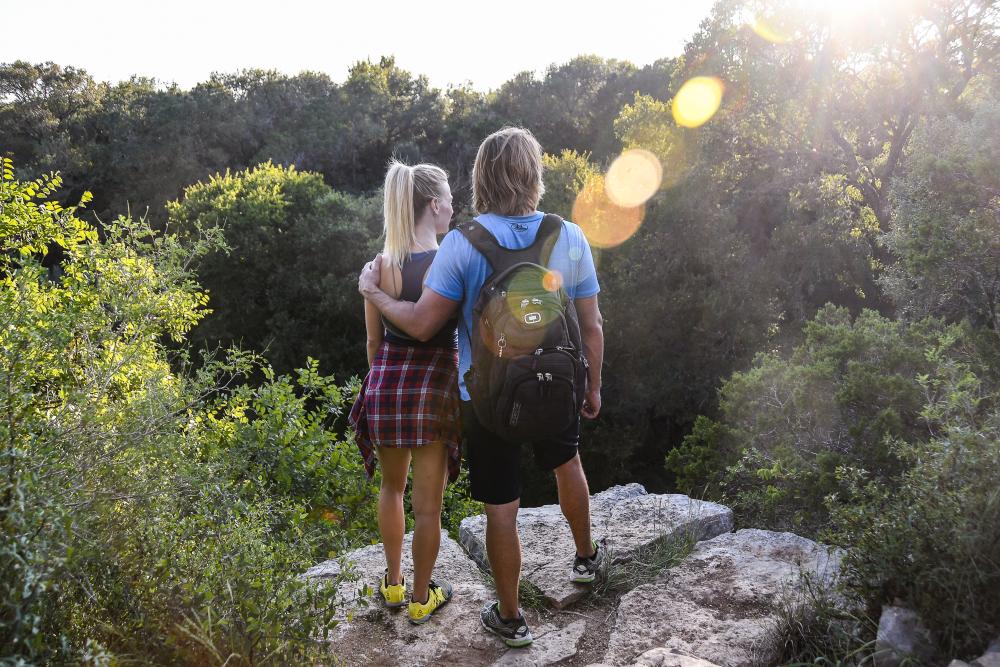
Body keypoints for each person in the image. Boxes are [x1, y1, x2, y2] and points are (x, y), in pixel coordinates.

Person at [358, 127, 605, 647]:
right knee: (568, 464)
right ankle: (585, 560)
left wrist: (374, 294)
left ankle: (511, 618)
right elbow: (592, 325)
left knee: (501, 507)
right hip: (559, 383)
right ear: (534, 174)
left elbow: (422, 324)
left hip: (487, 398)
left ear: (481, 177)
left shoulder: (462, 244)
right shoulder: (569, 236)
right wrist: (593, 384)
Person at [348, 159, 461, 625]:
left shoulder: (381, 265)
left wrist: (383, 382)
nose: (454, 208)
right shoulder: (450, 259)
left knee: (392, 488)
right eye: (450, 199)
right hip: (433, 387)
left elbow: (374, 342)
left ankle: (392, 584)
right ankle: (420, 599)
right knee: (428, 507)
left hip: (387, 384)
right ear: (434, 206)